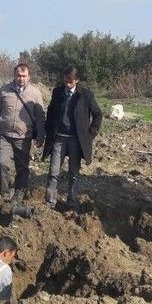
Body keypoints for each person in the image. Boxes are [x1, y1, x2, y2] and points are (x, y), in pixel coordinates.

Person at [43, 66, 102, 210]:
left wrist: (91, 133)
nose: (67, 83)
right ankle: (50, 202)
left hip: (76, 140)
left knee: (74, 173)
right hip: (59, 138)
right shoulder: (57, 92)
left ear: (77, 80)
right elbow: (50, 112)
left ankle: (72, 200)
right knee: (54, 171)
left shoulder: (85, 95)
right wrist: (48, 130)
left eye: (70, 81)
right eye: (65, 80)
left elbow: (98, 114)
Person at [0, 63, 46, 206]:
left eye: (24, 76)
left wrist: (40, 136)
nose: (21, 78)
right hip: (4, 135)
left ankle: (20, 192)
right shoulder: (4, 90)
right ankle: (6, 193)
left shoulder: (35, 93)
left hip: (23, 137)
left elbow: (40, 117)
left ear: (29, 77)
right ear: (14, 76)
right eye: (18, 76)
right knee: (2, 163)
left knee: (22, 168)